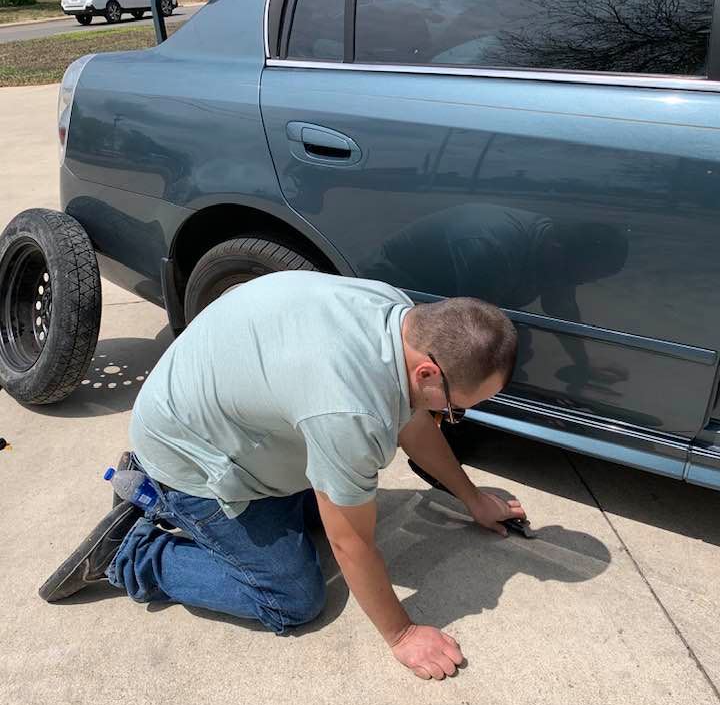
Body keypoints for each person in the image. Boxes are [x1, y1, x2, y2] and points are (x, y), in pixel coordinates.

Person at [39, 271, 525, 680]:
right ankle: (137, 552)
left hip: (208, 415)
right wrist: (402, 634)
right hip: (189, 459)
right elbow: (351, 545)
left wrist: (470, 496)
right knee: (292, 597)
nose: (451, 416)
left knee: (344, 497)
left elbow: (412, 421)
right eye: (456, 410)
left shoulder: (400, 315)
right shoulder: (350, 408)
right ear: (426, 374)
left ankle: (176, 503)